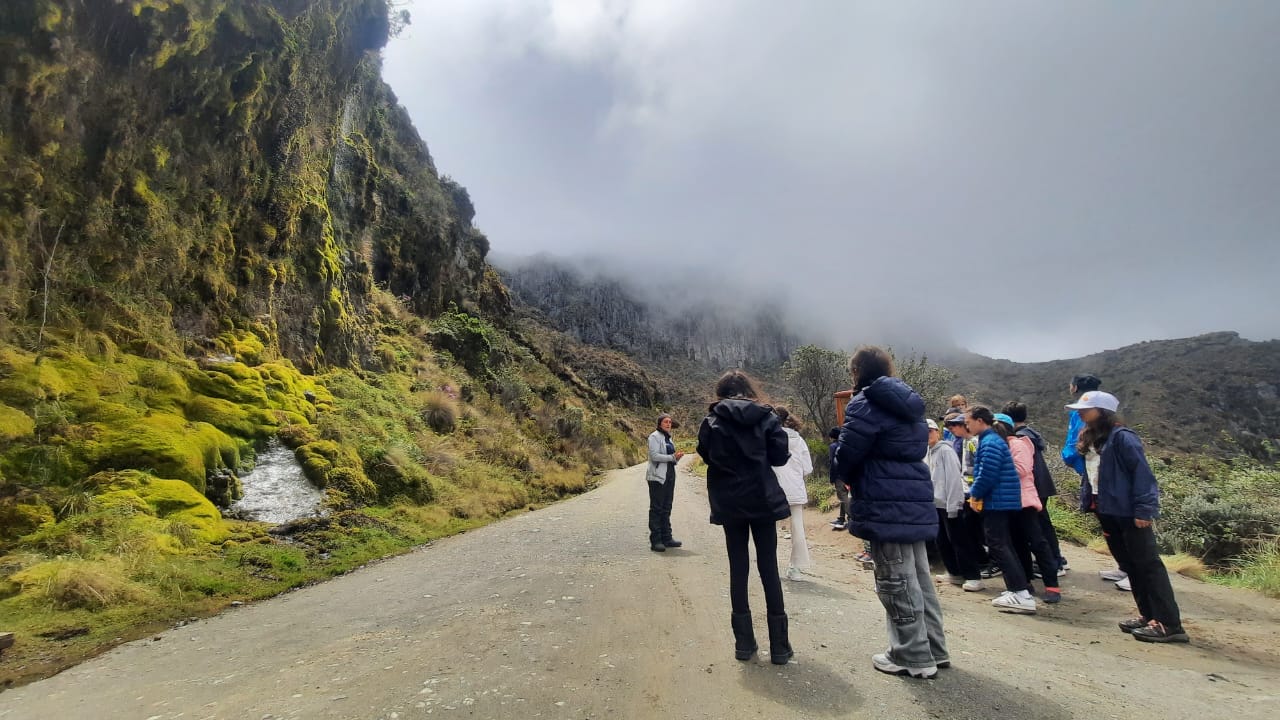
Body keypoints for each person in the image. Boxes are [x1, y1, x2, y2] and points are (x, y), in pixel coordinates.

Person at [836, 346, 947, 678]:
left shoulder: (865, 403)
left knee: (895, 578)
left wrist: (847, 473)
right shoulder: (909, 404)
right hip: (913, 494)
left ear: (857, 372)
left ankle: (912, 655)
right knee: (919, 576)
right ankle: (935, 649)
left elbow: (848, 454)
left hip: (884, 498)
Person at [1069, 391, 1190, 643]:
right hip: (1107, 510)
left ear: (1102, 411)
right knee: (1130, 565)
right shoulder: (1093, 438)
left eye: (1085, 409)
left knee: (1148, 565)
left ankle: (1169, 623)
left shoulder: (1123, 438)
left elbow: (1142, 475)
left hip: (1128, 512)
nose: (1079, 413)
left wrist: (1144, 510)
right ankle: (1148, 615)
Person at [697, 370, 794, 664]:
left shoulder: (711, 421)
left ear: (721, 392)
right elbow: (779, 456)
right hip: (763, 500)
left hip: (730, 503)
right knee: (768, 568)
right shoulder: (767, 417)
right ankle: (779, 647)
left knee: (738, 569)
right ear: (749, 390)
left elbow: (706, 456)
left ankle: (744, 644)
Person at [966, 406, 1038, 614]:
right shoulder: (991, 440)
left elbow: (987, 473)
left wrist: (975, 494)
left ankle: (1020, 592)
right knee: (1002, 544)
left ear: (980, 421)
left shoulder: (990, 442)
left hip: (997, 501)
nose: (967, 425)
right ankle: (1017, 589)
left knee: (999, 545)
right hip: (999, 500)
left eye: (968, 421)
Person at [994, 413, 1062, 604]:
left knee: (1037, 542)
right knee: (1017, 543)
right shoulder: (999, 445)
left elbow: (1022, 469)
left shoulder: (1019, 444)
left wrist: (995, 465)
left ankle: (1052, 584)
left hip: (1025, 501)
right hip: (1007, 502)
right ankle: (1025, 581)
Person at [1002, 401, 1068, 575]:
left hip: (1034, 486)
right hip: (1041, 484)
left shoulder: (1020, 438)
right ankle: (1056, 559)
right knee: (1043, 524)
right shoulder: (1030, 434)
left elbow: (1023, 468)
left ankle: (1054, 563)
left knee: (1038, 528)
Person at [926, 419, 983, 591]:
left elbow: (953, 479)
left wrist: (954, 504)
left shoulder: (946, 451)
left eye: (930, 431)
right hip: (936, 504)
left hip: (951, 503)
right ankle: (954, 572)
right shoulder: (927, 451)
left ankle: (973, 576)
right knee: (942, 541)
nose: (927, 434)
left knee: (959, 541)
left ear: (938, 431)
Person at [772, 407, 815, 581]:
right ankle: (795, 568)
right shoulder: (799, 440)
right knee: (797, 528)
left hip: (773, 489)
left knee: (769, 528)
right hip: (795, 489)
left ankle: (770, 566)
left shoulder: (770, 438)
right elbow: (808, 468)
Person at [646, 414, 686, 552]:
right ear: (659, 424)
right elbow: (654, 456)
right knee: (657, 508)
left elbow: (670, 459)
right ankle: (656, 541)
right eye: (665, 422)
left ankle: (667, 538)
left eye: (669, 422)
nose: (668, 424)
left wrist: (676, 458)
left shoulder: (668, 438)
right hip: (657, 477)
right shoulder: (654, 437)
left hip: (669, 475)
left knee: (667, 507)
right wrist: (671, 457)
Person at [828, 427, 852, 531]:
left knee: (842, 496)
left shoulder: (833, 446)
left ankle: (851, 518)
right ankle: (841, 519)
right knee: (845, 495)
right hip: (848, 474)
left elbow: (832, 463)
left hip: (838, 475)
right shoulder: (846, 444)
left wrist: (832, 477)